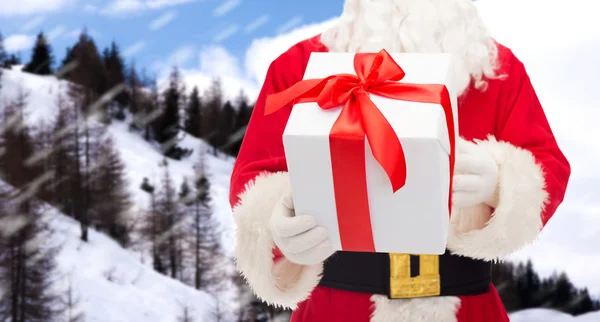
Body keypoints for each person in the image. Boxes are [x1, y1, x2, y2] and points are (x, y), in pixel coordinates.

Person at [229, 0, 571, 321]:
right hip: (337, 306)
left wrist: (500, 182)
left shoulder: (498, 71)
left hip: (467, 306)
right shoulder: (299, 66)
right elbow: (256, 176)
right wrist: (277, 225)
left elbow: (547, 166)